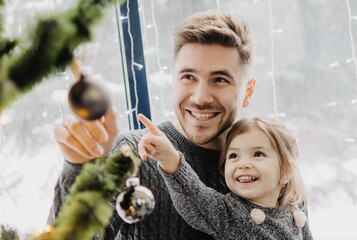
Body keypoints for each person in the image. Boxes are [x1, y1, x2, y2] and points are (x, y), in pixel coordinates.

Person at [49, 11, 256, 239]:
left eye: (220, 80)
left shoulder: (269, 163)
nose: (200, 97)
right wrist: (77, 167)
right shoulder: (133, 153)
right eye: (188, 77)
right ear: (173, 80)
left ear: (248, 92)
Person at [138, 114, 313, 239]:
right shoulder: (229, 212)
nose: (243, 164)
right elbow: (194, 196)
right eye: (234, 156)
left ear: (285, 172)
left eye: (258, 154)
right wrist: (170, 158)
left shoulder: (295, 215)